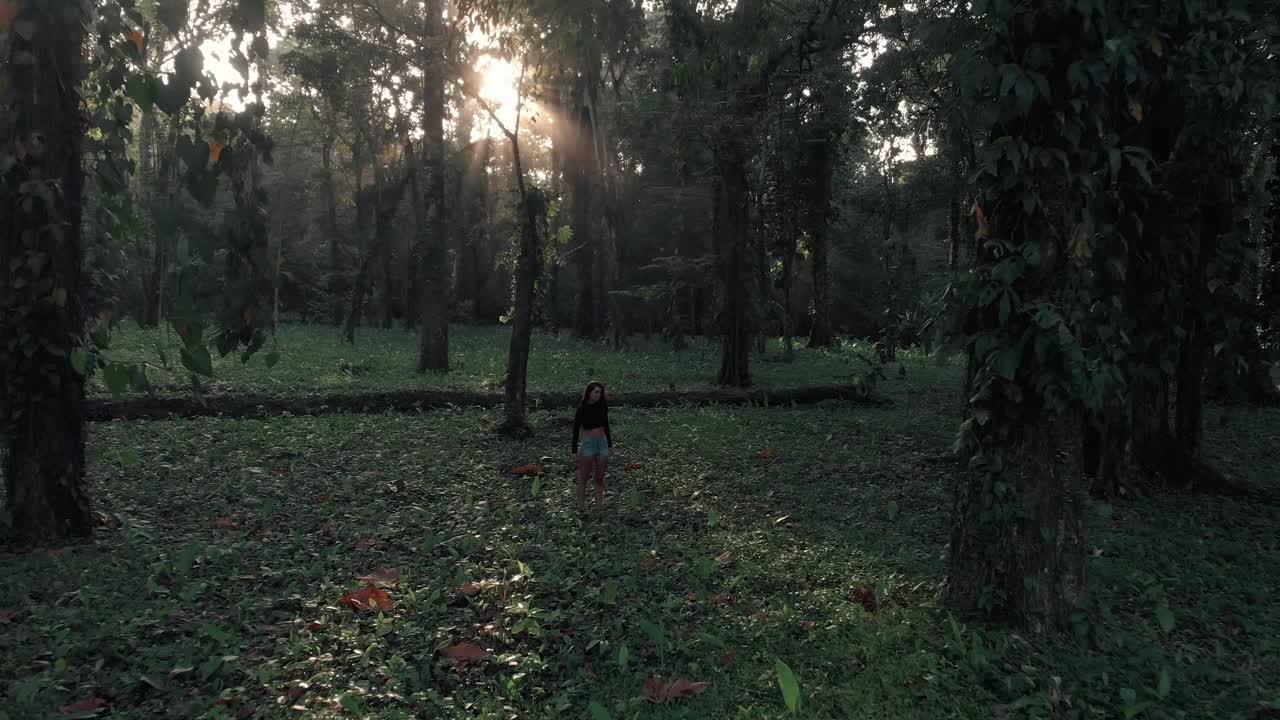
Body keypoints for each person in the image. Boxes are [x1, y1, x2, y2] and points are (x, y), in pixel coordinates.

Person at [572, 381, 612, 513]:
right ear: (589, 392)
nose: (598, 395)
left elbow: (606, 425)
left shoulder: (603, 406)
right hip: (588, 442)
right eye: (596, 392)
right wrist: (574, 450)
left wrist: (610, 445)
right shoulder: (582, 409)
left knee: (599, 477)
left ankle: (599, 506)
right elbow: (576, 430)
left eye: (600, 392)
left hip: (602, 442)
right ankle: (581, 506)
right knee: (583, 476)